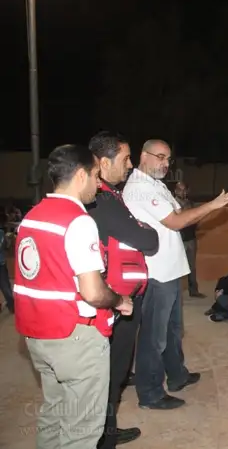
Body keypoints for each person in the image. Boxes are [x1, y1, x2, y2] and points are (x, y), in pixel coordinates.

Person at [13, 144, 134, 449]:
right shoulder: (78, 221)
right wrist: (119, 300)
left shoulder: (31, 217)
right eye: (95, 176)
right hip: (74, 339)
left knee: (54, 414)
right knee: (81, 431)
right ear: (81, 175)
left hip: (38, 336)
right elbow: (92, 292)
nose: (98, 184)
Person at [122, 138, 228, 410]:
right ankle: (150, 393)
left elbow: (180, 212)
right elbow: (176, 221)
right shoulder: (139, 187)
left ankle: (177, 375)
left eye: (168, 159)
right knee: (154, 337)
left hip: (170, 270)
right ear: (143, 156)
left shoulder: (157, 184)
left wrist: (196, 211)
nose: (165, 163)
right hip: (156, 273)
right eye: (160, 157)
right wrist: (212, 205)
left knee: (173, 330)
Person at [88, 131, 160, 448]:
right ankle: (103, 437)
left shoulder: (109, 197)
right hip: (115, 300)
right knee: (111, 373)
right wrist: (143, 229)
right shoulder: (103, 200)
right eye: (125, 158)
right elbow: (148, 239)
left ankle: (107, 429)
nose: (130, 165)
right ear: (104, 163)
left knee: (113, 372)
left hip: (119, 297)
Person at [174, 180, 204, 297]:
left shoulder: (191, 203)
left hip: (191, 238)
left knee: (191, 266)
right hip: (179, 239)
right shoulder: (172, 204)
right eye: (179, 190)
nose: (182, 192)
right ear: (175, 191)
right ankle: (176, 292)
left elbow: (196, 219)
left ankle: (193, 290)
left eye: (184, 190)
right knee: (177, 266)